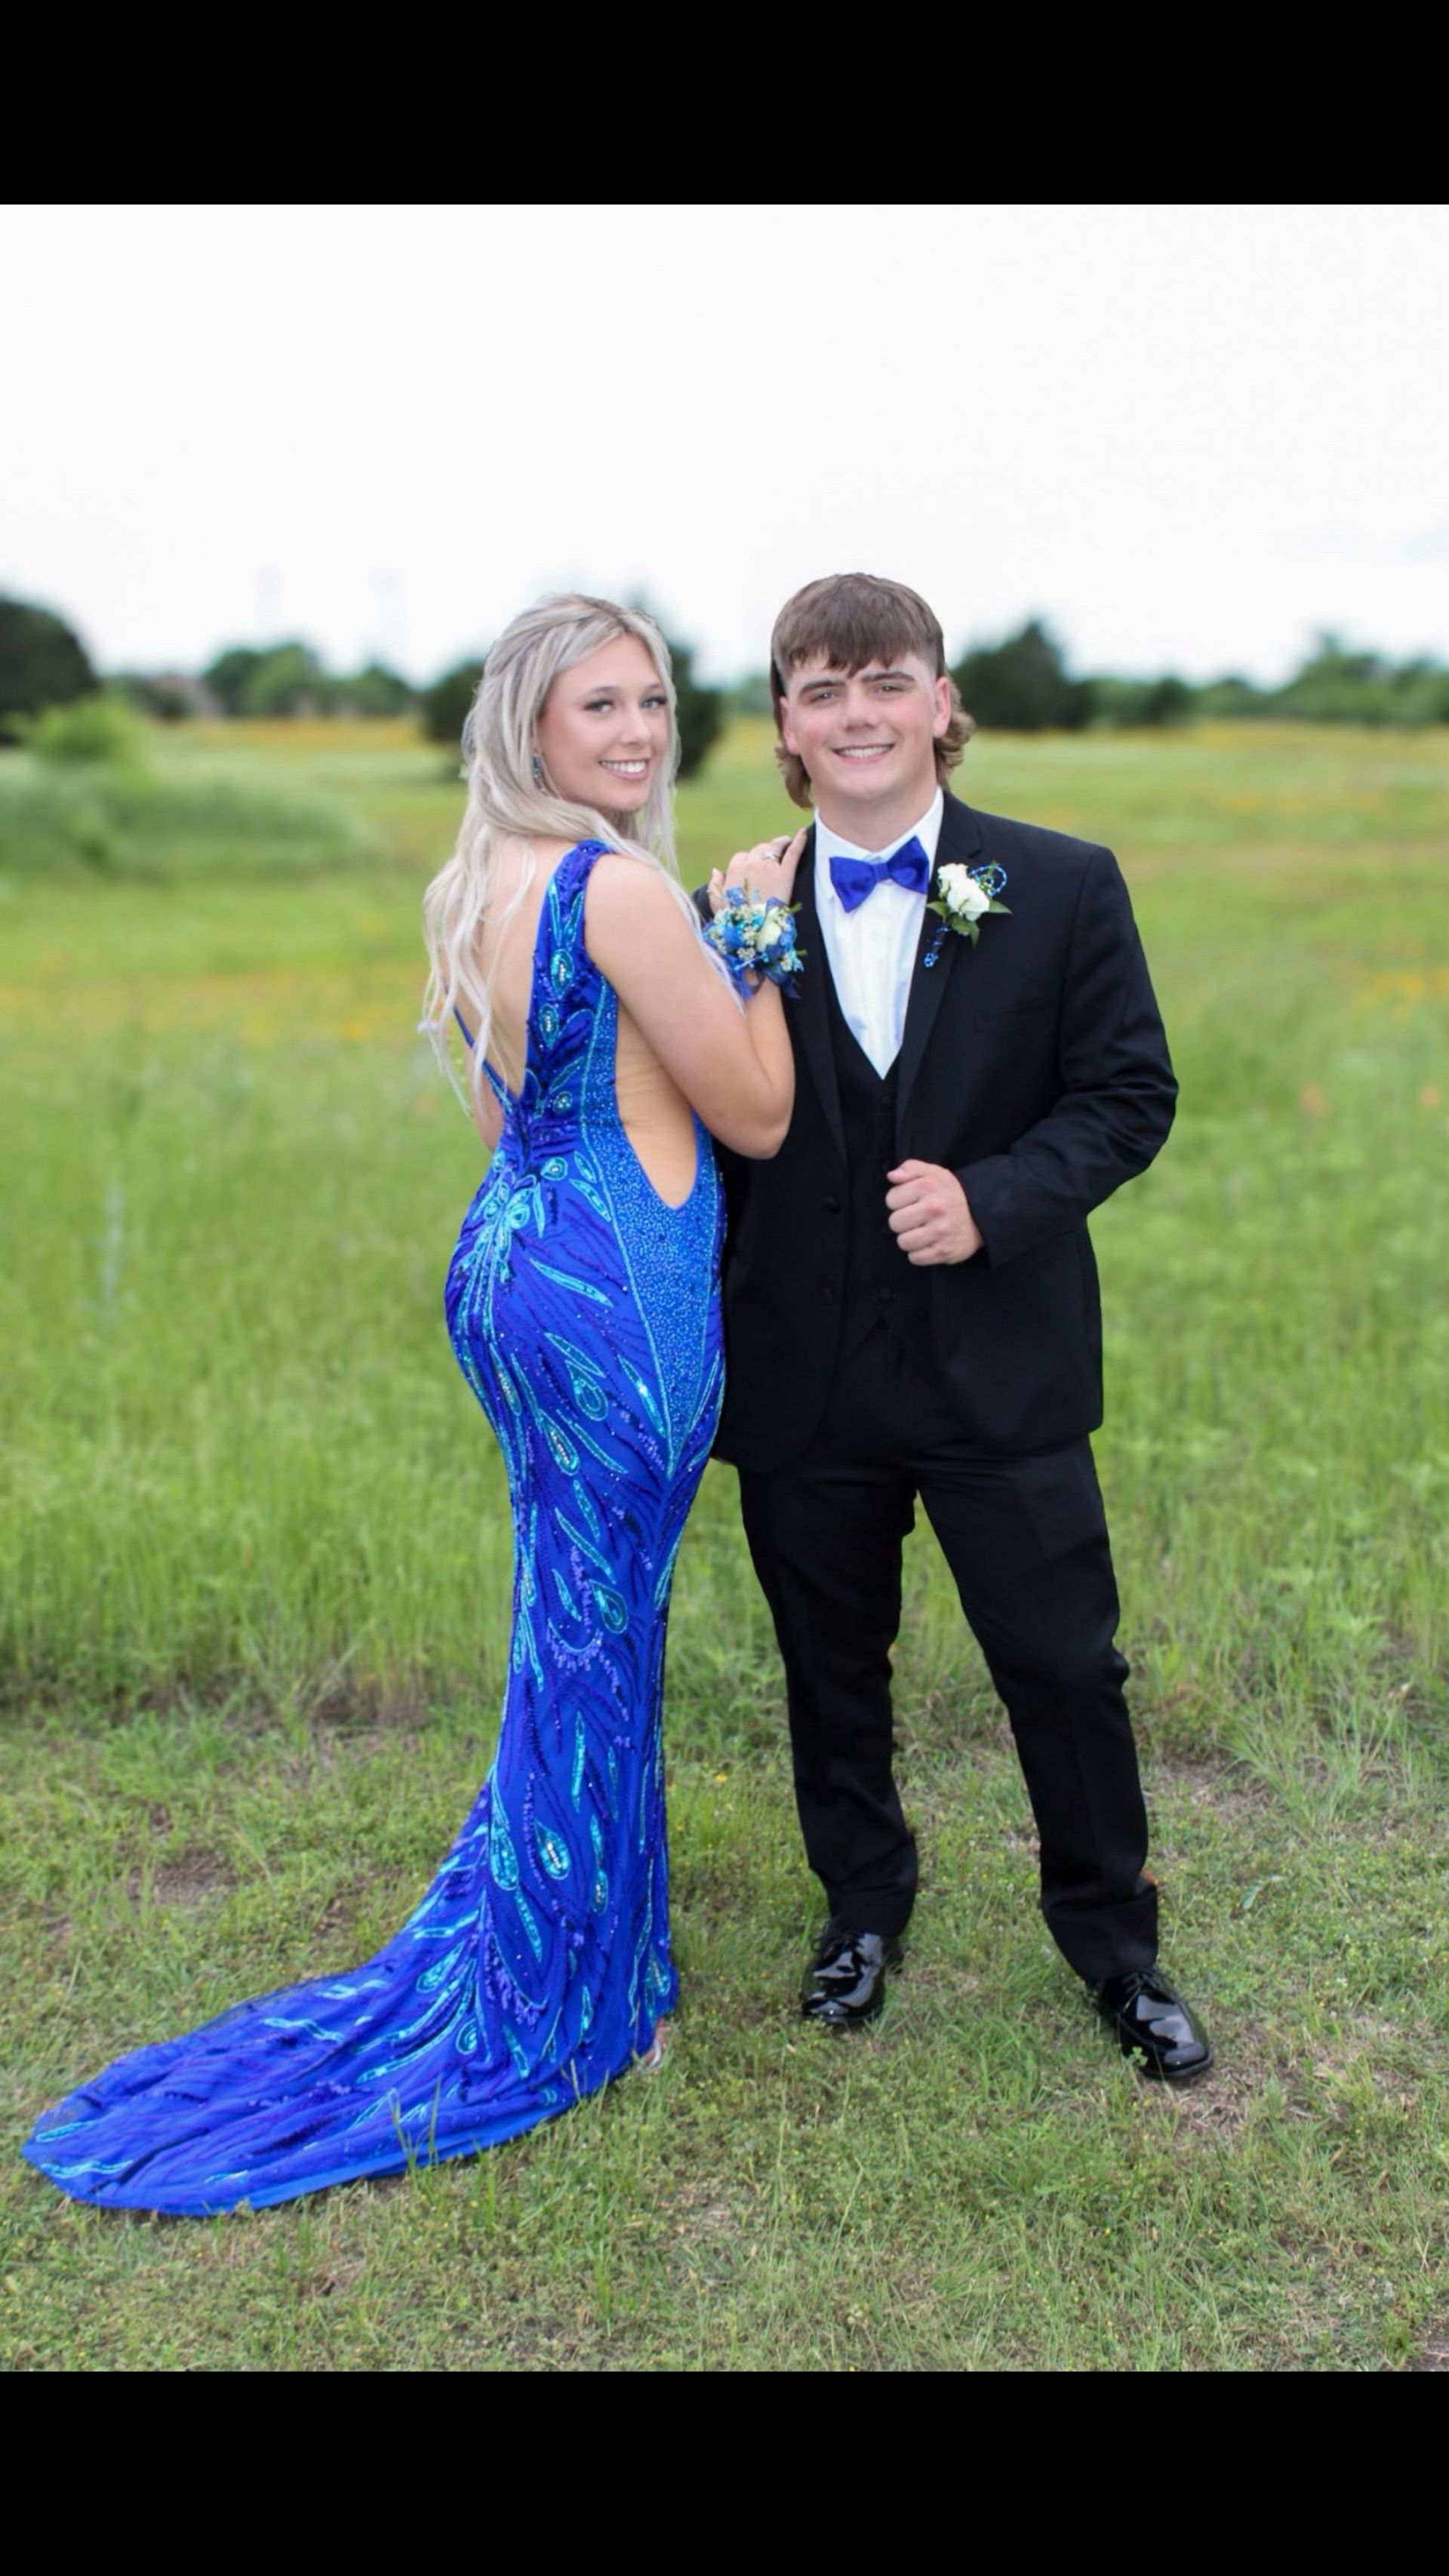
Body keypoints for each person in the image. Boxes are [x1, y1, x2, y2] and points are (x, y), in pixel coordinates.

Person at [22, 595, 804, 2214]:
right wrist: (756, 946)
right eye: (605, 707)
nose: (642, 732)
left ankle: (593, 1952)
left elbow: (498, 1101)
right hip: (622, 1286)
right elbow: (759, 1113)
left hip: (513, 1261)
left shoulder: (473, 880)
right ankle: (579, 2003)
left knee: (569, 1619)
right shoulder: (623, 890)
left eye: (656, 701)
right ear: (534, 727)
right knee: (601, 1636)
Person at [700, 572, 1211, 2079]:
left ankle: (1115, 1947)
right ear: (787, 724)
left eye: (884, 680)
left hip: (1003, 1366)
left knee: (1063, 1662)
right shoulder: (732, 907)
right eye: (818, 687)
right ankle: (862, 1906)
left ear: (939, 700)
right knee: (827, 1663)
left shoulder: (1060, 882)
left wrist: (996, 1197)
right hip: (804, 1370)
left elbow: (1131, 1095)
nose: (854, 713)